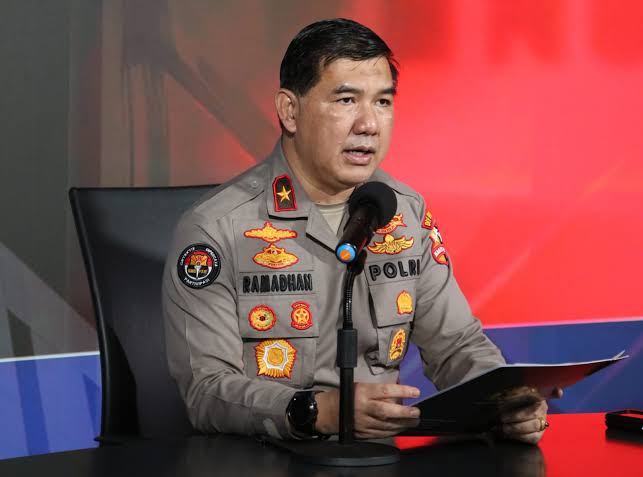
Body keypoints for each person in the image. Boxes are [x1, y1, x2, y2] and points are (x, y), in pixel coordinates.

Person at [162, 18, 557, 444]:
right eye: (347, 100)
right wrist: (320, 411)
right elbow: (206, 390)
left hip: (381, 460)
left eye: (383, 102)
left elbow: (457, 345)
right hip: (270, 459)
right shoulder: (216, 228)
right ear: (290, 111)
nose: (369, 124)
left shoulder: (404, 212)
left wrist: (502, 399)